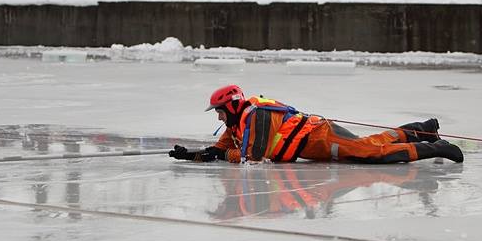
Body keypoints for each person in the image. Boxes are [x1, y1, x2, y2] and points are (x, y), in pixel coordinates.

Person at [168, 85, 463, 165]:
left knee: (373, 153)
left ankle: (436, 147)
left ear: (231, 106)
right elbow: (219, 149)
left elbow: (253, 158)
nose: (219, 117)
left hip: (320, 137)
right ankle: (421, 128)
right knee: (371, 144)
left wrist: (222, 155)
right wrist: (192, 155)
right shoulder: (238, 123)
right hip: (316, 142)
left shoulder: (256, 116)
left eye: (220, 112)